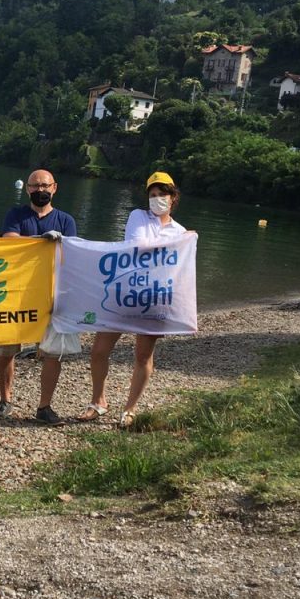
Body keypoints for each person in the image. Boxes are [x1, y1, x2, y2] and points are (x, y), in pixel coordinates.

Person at [82, 171, 188, 428]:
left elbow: (179, 269)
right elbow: (137, 246)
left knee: (143, 356)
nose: (157, 199)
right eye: (152, 194)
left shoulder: (181, 232)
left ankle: (130, 409)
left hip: (154, 298)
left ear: (173, 197)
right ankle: (99, 401)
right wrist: (171, 249)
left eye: (162, 194)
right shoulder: (137, 217)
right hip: (124, 292)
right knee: (98, 351)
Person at [0, 169, 78, 424]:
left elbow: (73, 254)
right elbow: (9, 240)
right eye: (35, 186)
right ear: (28, 189)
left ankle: (45, 406)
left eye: (45, 185)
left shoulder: (66, 220)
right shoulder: (16, 214)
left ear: (54, 188)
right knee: (7, 349)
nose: (40, 190)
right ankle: (5, 399)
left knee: (52, 352)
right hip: (17, 292)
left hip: (53, 293)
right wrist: (40, 241)